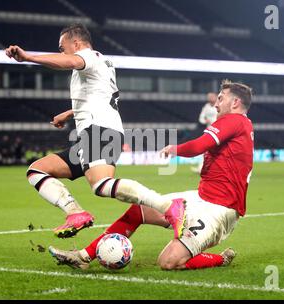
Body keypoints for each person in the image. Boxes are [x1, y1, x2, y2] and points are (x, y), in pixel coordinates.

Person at [49, 80, 254, 271]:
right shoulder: (241, 124)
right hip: (201, 197)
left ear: (235, 102)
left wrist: (175, 148)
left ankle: (221, 258)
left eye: (221, 98)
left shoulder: (234, 120)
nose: (216, 103)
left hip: (218, 209)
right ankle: (83, 256)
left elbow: (200, 145)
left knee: (168, 262)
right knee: (139, 210)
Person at [5, 24, 185, 239]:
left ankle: (168, 206)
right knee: (37, 170)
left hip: (99, 131)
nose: (62, 52)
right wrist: (70, 113)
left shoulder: (88, 57)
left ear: (77, 44)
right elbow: (99, 97)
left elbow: (71, 61)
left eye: (63, 48)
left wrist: (29, 58)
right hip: (94, 133)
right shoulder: (102, 63)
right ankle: (75, 213)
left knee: (101, 185)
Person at [191, 92, 218, 174]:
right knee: (205, 149)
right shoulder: (206, 107)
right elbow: (201, 119)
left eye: (212, 96)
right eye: (209, 97)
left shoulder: (220, 106)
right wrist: (206, 120)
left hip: (220, 131)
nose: (210, 98)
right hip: (209, 131)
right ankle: (201, 168)